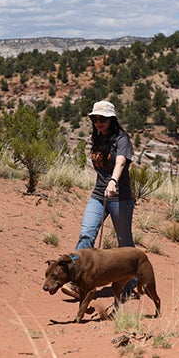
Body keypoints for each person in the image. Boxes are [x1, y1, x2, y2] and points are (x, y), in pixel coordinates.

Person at [62, 100, 137, 299]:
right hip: (98, 195)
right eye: (95, 119)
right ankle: (76, 280)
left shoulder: (121, 139)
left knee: (124, 242)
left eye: (102, 119)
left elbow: (121, 162)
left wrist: (113, 181)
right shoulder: (98, 139)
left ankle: (131, 281)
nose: (98, 122)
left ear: (111, 120)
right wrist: (105, 184)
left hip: (120, 197)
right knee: (86, 233)